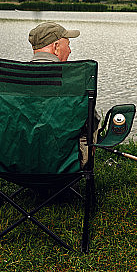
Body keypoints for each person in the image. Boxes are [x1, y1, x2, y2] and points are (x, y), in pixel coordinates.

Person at [27, 22, 97, 166]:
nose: (70, 50)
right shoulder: (74, 83)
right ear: (56, 47)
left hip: (13, 161)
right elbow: (91, 122)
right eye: (68, 44)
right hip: (64, 163)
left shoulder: (10, 80)